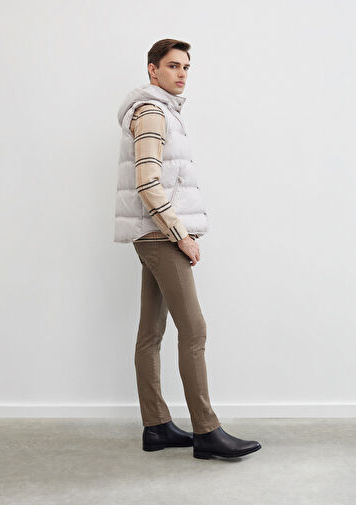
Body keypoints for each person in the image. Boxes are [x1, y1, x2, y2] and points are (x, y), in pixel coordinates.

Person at [114, 38, 261, 459]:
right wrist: (180, 234)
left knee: (151, 332)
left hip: (151, 233)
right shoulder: (153, 111)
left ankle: (157, 427)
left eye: (186, 67)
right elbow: (148, 182)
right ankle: (207, 431)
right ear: (152, 69)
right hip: (161, 235)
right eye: (173, 65)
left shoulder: (160, 111)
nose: (181, 74)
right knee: (194, 331)